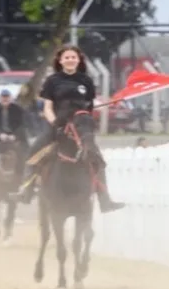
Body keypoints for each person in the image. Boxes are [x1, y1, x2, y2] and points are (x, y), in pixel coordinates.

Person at [11, 44, 124, 213]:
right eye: (67, 57)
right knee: (34, 151)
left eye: (73, 57)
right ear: (61, 60)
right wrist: (55, 123)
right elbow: (47, 107)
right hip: (58, 124)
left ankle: (104, 199)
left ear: (78, 60)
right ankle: (26, 190)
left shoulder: (86, 81)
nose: (70, 60)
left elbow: (90, 106)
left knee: (97, 158)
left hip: (81, 126)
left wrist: (97, 110)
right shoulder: (52, 81)